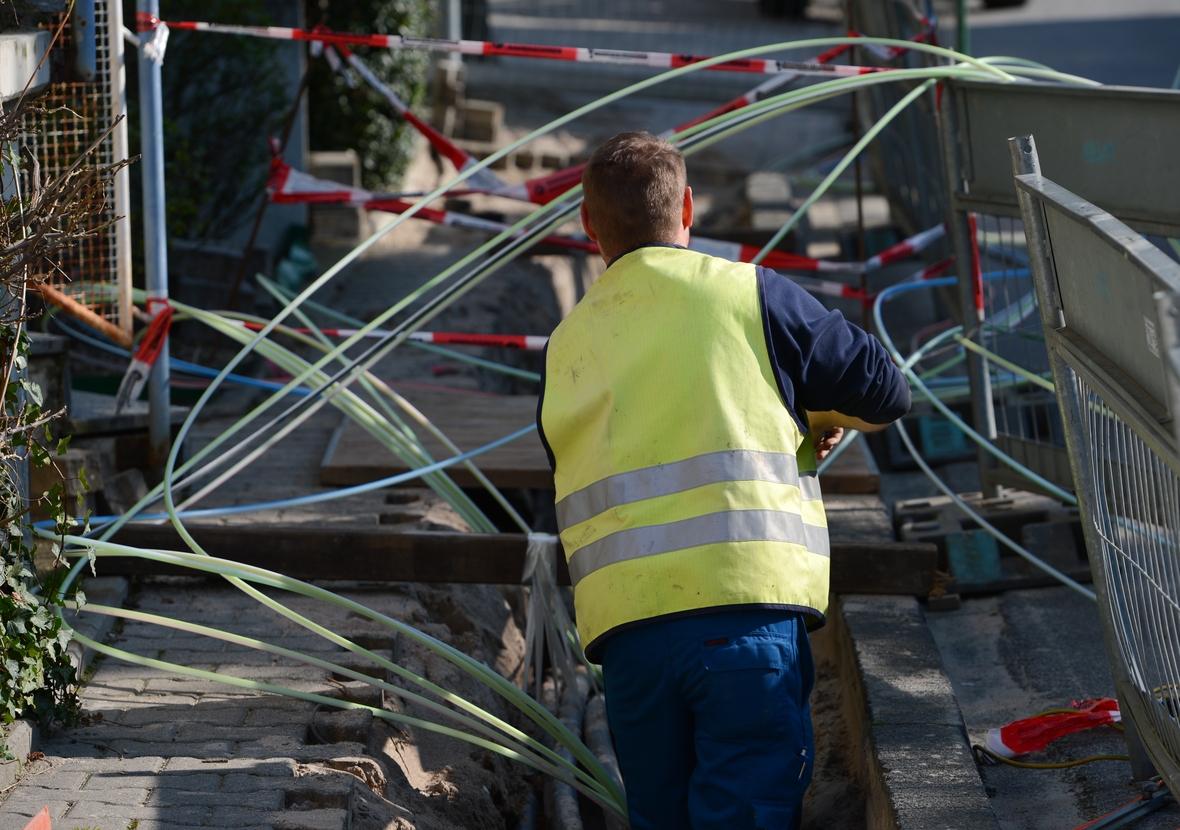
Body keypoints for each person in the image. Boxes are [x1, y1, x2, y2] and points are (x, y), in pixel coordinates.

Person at [536, 132, 910, 830]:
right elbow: (886, 391)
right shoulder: (750, 295)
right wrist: (817, 415)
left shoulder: (566, 347)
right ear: (688, 210)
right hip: (747, 617)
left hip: (631, 639)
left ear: (587, 225)